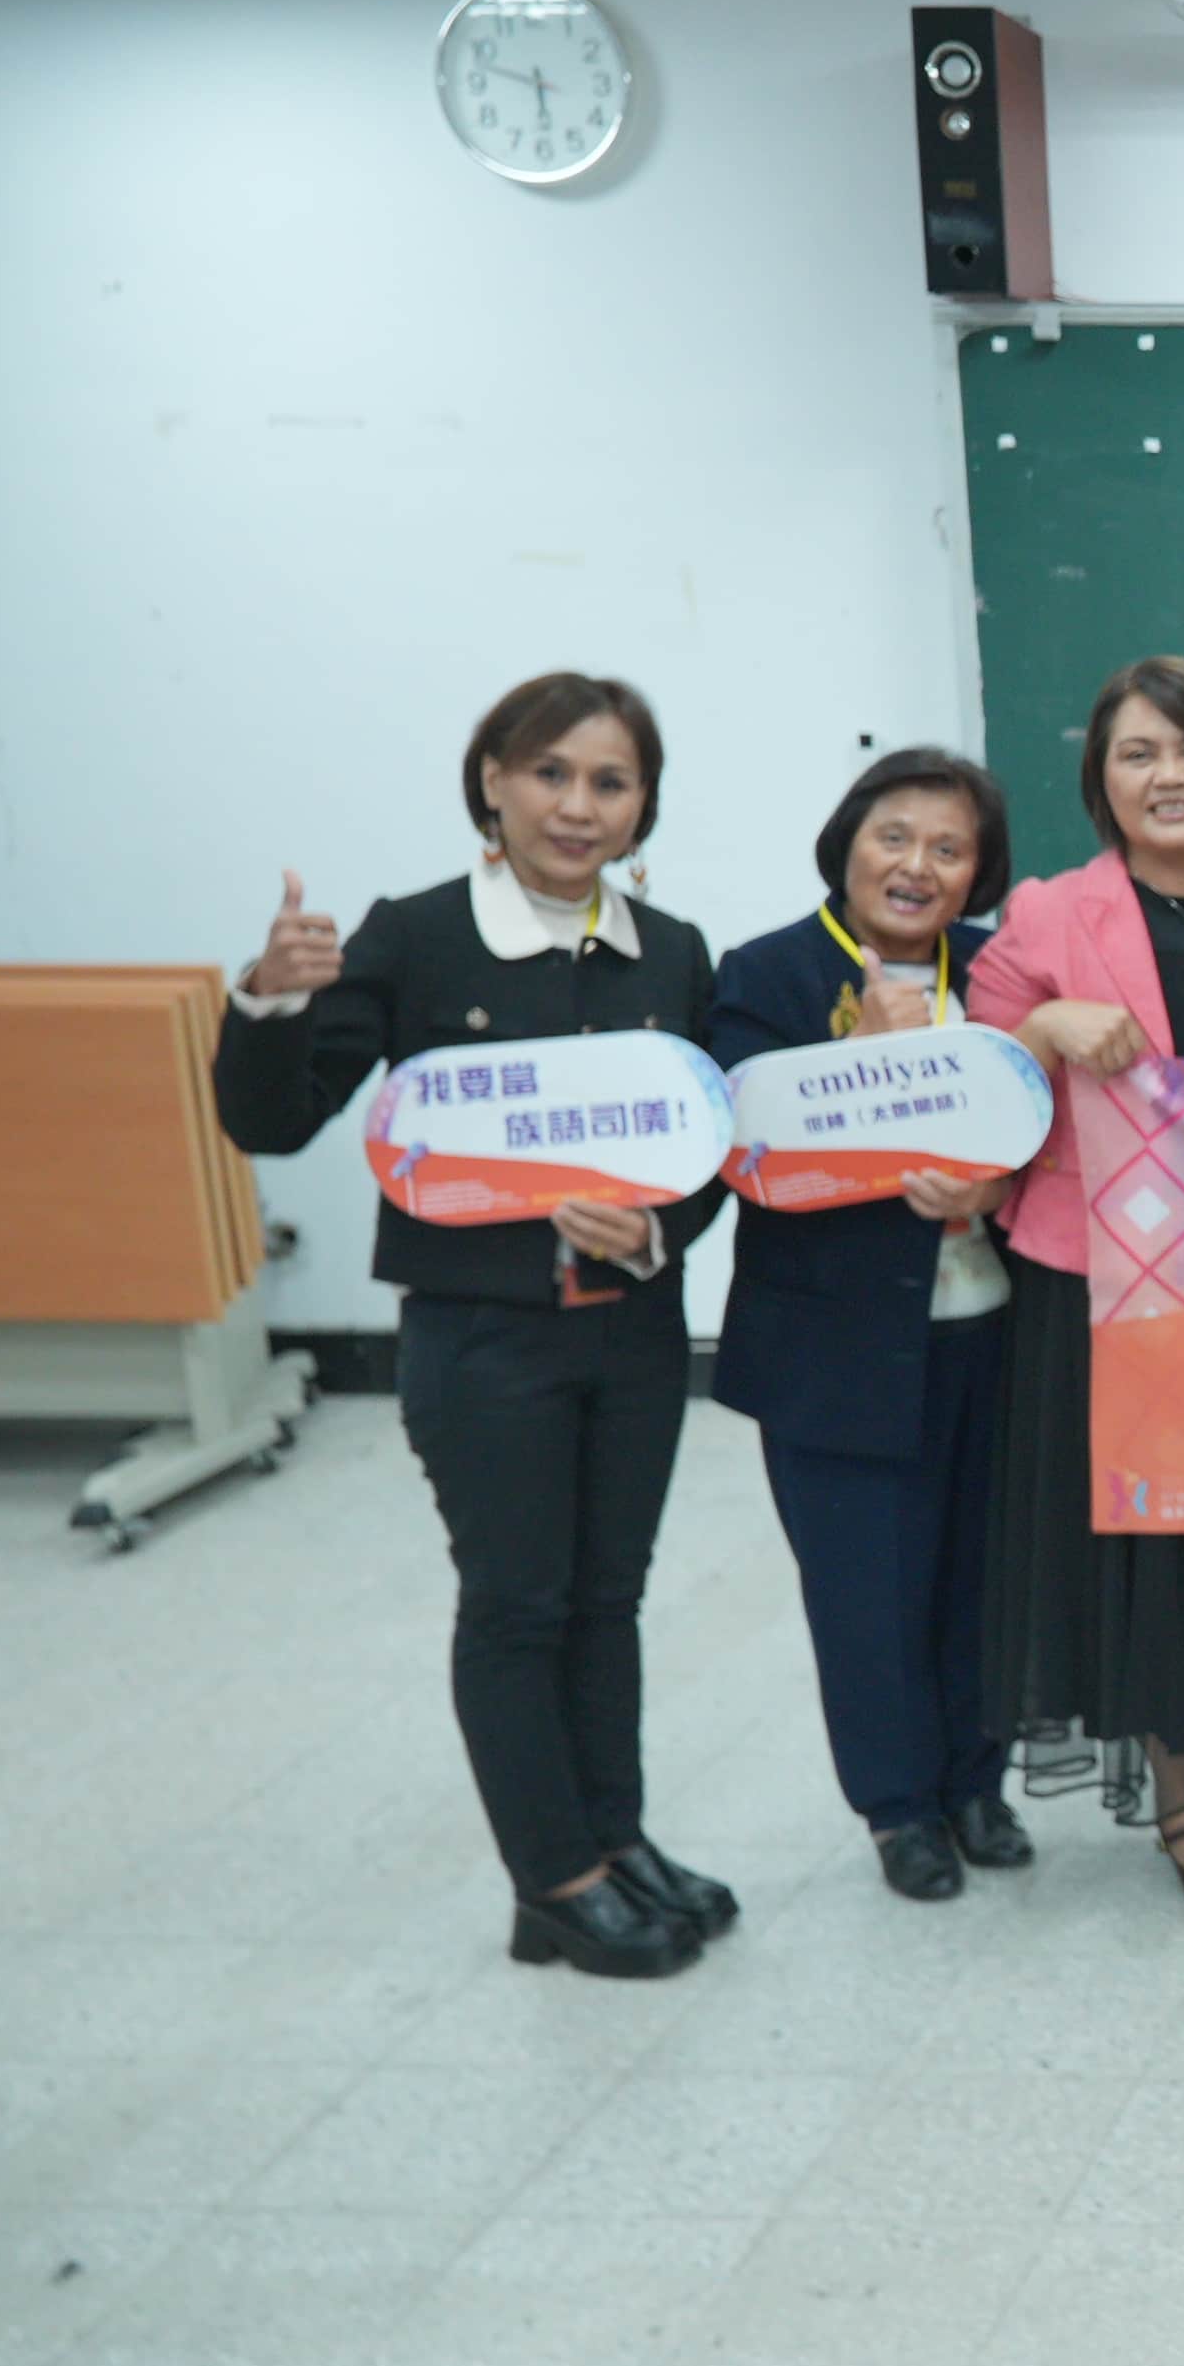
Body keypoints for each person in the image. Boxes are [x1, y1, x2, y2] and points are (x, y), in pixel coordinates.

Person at [214, 673, 734, 1979]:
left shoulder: (672, 950)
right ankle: (553, 1878)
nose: (577, 805)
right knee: (516, 1605)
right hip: (483, 1338)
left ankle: (613, 1840)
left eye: (609, 781)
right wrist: (269, 1000)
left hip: (633, 1332)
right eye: (549, 772)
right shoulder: (418, 936)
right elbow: (273, 1120)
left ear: (643, 804)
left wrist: (658, 1229)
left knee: (608, 1599)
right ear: (492, 781)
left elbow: (709, 1142)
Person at [964, 656, 1184, 1913]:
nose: (1170, 775)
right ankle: (1181, 1791)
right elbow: (973, 1099)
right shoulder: (1050, 916)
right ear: (1102, 781)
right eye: (1138, 753)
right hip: (1103, 1283)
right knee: (1156, 1541)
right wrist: (1040, 1030)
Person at [706, 750, 1035, 1904]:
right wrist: (862, 1062)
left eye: (949, 848)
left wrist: (997, 1187)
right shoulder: (768, 971)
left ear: (979, 871)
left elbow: (1049, 1131)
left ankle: (977, 1781)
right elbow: (745, 1151)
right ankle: (897, 1806)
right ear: (847, 844)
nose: (917, 866)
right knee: (865, 1590)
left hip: (987, 1325)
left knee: (978, 1578)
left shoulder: (995, 971)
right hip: (830, 1348)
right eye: (894, 836)